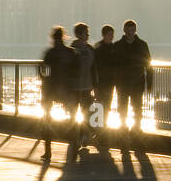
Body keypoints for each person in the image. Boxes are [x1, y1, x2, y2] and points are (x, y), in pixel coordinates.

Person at [38, 26, 76, 162]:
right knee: (73, 119)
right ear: (64, 37)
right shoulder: (70, 52)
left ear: (53, 38)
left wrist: (46, 81)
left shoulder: (50, 53)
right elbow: (75, 71)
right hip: (67, 89)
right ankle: (73, 147)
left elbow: (42, 71)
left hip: (50, 90)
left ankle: (48, 151)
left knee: (47, 120)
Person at [114, 19, 152, 135]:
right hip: (127, 82)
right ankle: (127, 126)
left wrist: (149, 83)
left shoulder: (119, 45)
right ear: (124, 30)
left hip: (134, 82)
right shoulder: (141, 45)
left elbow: (148, 65)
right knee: (124, 106)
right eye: (128, 30)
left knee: (136, 105)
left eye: (132, 30)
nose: (130, 32)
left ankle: (134, 127)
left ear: (135, 30)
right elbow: (148, 64)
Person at [68, 22, 98, 156]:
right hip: (76, 88)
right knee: (76, 114)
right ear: (79, 34)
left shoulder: (90, 49)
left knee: (85, 114)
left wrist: (95, 84)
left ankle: (82, 136)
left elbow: (94, 68)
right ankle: (77, 137)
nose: (88, 35)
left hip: (85, 87)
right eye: (86, 33)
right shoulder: (72, 50)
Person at [94, 25, 117, 123]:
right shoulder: (98, 48)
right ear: (104, 35)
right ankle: (99, 125)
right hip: (100, 82)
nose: (111, 36)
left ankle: (103, 124)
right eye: (110, 34)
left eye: (112, 34)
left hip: (110, 82)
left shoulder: (114, 47)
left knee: (107, 104)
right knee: (100, 103)